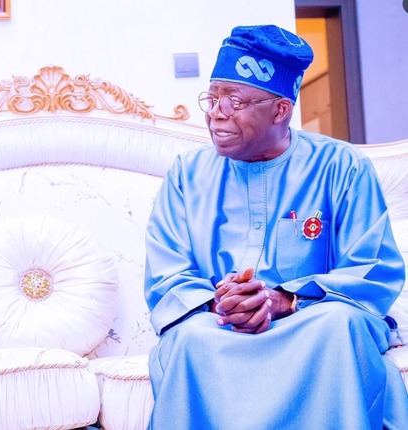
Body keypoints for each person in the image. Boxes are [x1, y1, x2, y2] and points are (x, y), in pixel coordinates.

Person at [145, 25, 408, 430]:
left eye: (233, 101)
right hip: (218, 326)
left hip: (310, 321)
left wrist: (285, 299)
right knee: (186, 339)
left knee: (341, 325)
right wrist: (225, 304)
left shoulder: (342, 166)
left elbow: (372, 268)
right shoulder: (187, 174)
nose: (216, 113)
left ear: (280, 110)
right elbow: (167, 275)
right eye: (212, 98)